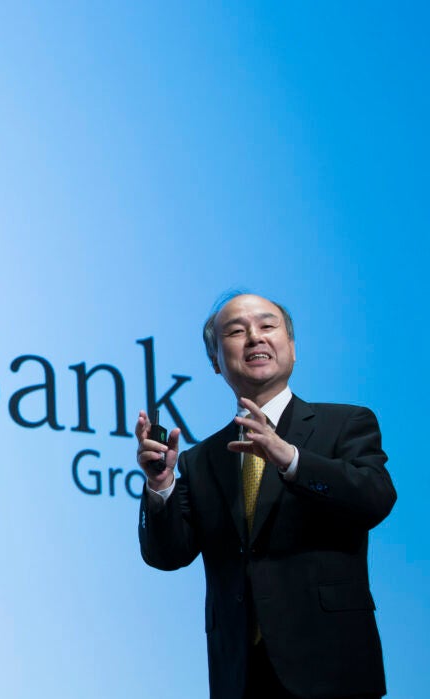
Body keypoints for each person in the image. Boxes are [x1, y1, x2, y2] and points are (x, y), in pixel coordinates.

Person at [136, 293, 396, 699]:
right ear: (216, 361)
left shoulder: (345, 423)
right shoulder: (201, 459)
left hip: (332, 666)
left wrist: (291, 459)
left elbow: (374, 499)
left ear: (292, 347)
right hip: (240, 674)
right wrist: (160, 484)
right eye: (236, 331)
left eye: (267, 326)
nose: (254, 337)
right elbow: (167, 555)